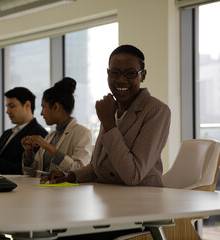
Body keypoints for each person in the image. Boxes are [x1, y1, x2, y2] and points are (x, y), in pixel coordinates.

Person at [40, 45, 171, 240]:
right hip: (109, 203)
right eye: (114, 73)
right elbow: (97, 167)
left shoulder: (156, 111)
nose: (121, 80)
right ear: (107, 73)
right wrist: (70, 175)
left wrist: (109, 123)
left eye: (130, 73)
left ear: (142, 75)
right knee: (51, 225)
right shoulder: (112, 108)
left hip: (140, 210)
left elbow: (133, 175)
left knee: (62, 235)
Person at [22, 77, 92, 177]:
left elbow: (79, 170)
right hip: (43, 190)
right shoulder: (51, 136)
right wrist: (28, 152)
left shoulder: (82, 133)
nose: (41, 113)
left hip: (66, 192)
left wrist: (49, 147)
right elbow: (31, 173)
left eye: (43, 107)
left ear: (55, 107)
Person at [0, 87, 48, 174]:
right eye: (7, 107)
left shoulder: (39, 135)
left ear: (27, 105)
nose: (7, 111)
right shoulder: (7, 133)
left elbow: (30, 170)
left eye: (12, 106)